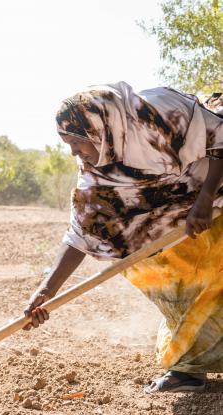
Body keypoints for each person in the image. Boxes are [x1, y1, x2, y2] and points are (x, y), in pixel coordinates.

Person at [24, 82, 223, 393]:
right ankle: (188, 368)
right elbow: (81, 231)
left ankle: (187, 368)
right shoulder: (96, 171)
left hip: (213, 194)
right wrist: (46, 290)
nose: (76, 153)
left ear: (98, 129)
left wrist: (206, 196)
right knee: (180, 281)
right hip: (176, 215)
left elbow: (220, 136)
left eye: (78, 143)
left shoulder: (158, 114)